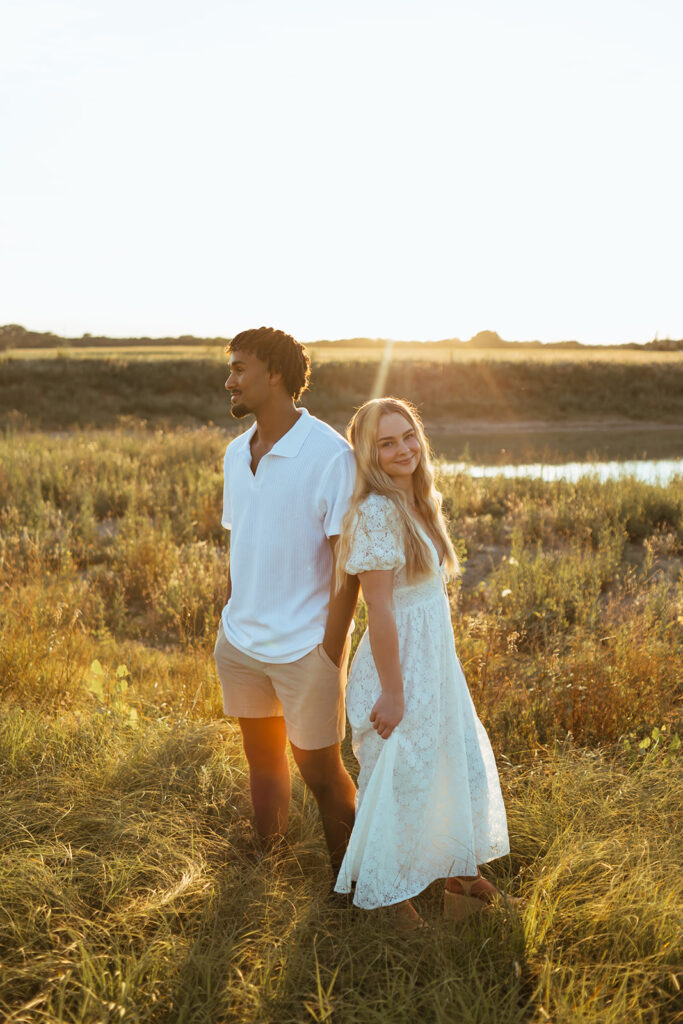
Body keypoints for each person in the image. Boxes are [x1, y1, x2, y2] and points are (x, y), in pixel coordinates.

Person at [333, 397, 514, 928]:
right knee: (404, 773)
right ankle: (388, 898)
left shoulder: (419, 500)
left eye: (407, 435)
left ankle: (461, 876)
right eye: (385, 443)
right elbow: (380, 607)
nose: (402, 449)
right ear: (368, 454)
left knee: (455, 761)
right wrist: (392, 691)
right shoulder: (376, 512)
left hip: (435, 662)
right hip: (399, 665)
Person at [214, 327, 359, 878]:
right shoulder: (236, 453)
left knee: (322, 774)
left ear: (274, 375)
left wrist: (329, 651)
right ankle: (266, 866)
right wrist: (229, 622)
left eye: (239, 369)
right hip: (243, 641)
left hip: (306, 649)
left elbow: (348, 566)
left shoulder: (330, 455)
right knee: (263, 759)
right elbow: (242, 544)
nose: (229, 381)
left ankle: (351, 886)